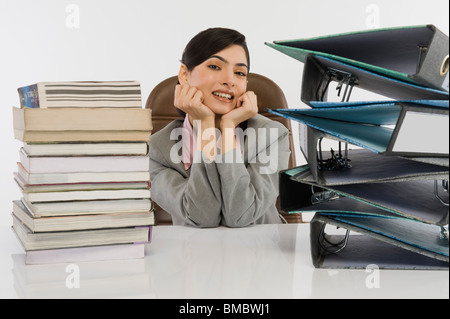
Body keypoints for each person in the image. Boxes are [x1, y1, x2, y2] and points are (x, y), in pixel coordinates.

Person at [148, 27, 290, 228]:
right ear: (184, 75)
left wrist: (228, 126)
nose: (229, 80)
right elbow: (202, 216)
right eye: (215, 66)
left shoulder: (273, 136)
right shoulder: (156, 150)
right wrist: (206, 126)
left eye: (240, 73)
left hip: (261, 253)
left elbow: (241, 215)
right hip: (191, 255)